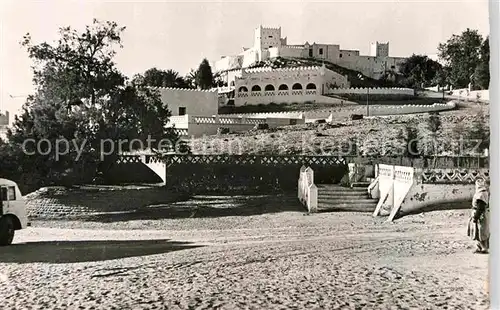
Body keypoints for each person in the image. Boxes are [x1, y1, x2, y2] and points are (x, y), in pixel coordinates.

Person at [467, 178, 490, 254]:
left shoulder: (481, 194)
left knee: (481, 232)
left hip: (480, 215)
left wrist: (476, 217)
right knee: (478, 231)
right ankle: (479, 247)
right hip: (481, 214)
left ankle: (484, 248)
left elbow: (480, 207)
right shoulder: (484, 192)